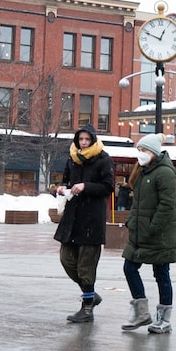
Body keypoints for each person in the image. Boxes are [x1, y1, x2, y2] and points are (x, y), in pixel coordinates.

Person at [55, 126, 115, 323]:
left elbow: (108, 187)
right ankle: (91, 294)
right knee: (66, 259)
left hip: (91, 219)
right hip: (72, 218)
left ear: (93, 140)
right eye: (80, 139)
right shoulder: (72, 158)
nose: (83, 142)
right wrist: (61, 188)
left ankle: (87, 308)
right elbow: (65, 180)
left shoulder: (103, 159)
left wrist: (85, 186)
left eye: (87, 139)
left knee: (86, 265)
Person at [121, 134, 176, 333]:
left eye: (144, 150)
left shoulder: (164, 172)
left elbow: (167, 205)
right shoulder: (142, 172)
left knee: (161, 273)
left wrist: (153, 227)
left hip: (158, 234)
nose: (141, 154)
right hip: (139, 233)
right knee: (129, 267)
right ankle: (141, 312)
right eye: (139, 150)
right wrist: (131, 222)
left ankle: (164, 319)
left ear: (154, 152)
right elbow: (138, 205)